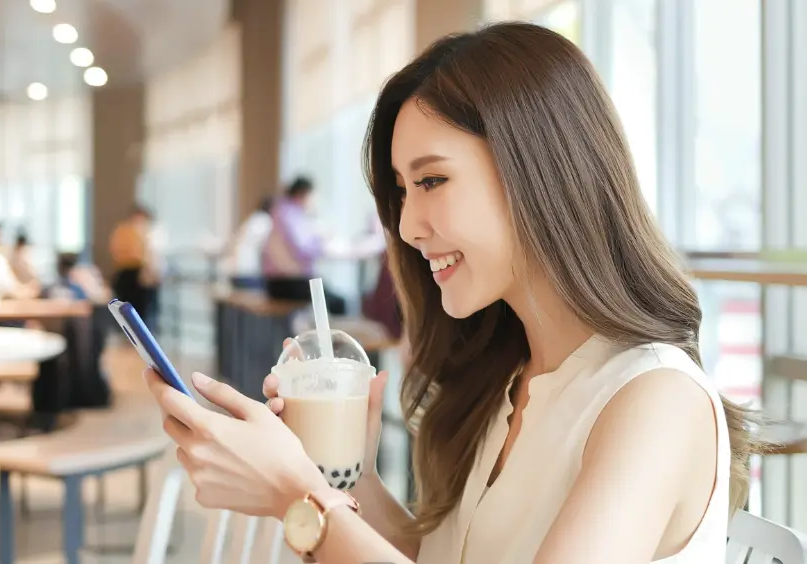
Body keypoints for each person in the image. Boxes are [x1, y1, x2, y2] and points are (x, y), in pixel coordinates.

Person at [144, 23, 764, 563]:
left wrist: (299, 499)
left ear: (539, 171)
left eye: (432, 180)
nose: (409, 226)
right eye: (402, 191)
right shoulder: (506, 382)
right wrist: (340, 470)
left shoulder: (655, 399)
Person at [263, 177, 347, 314]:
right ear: (303, 194)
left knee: (329, 295)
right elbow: (303, 249)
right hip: (287, 283)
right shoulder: (291, 214)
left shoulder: (281, 211)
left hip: (276, 283)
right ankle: (330, 336)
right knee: (338, 302)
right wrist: (323, 244)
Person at [110, 204, 155, 325]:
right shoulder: (125, 231)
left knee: (143, 308)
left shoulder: (146, 232)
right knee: (129, 305)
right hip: (128, 272)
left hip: (141, 273)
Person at [227, 196, 274, 289]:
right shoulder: (264, 220)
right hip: (249, 270)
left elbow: (238, 239)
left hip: (240, 269)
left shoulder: (254, 218)